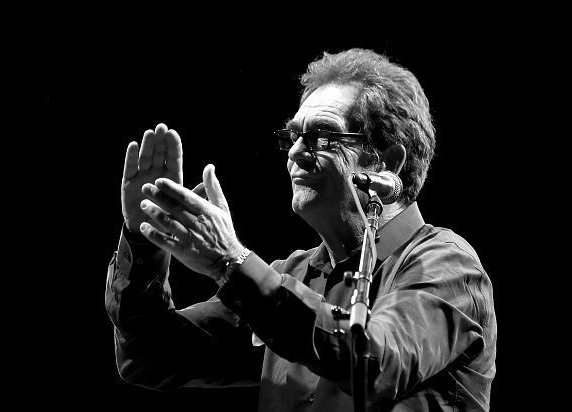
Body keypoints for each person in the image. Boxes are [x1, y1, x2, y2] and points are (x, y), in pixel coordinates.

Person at [105, 48, 496, 411]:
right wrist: (143, 242)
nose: (294, 151)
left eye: (322, 135)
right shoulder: (291, 276)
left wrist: (231, 262)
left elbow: (374, 365)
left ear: (385, 161)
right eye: (293, 135)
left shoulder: (446, 266)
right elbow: (150, 357)